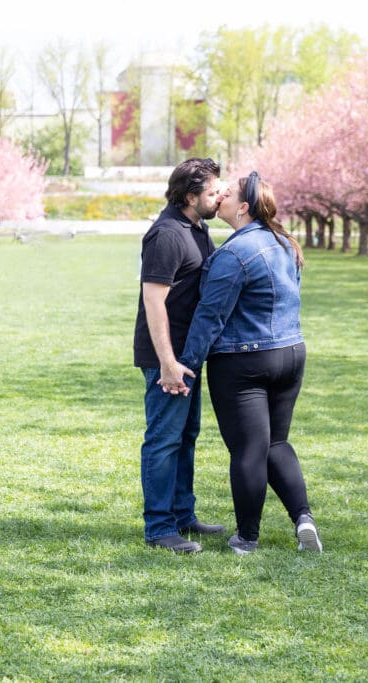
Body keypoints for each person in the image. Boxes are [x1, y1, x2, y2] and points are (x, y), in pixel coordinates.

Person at [165, 172, 322, 555]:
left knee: (248, 449)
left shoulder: (234, 253)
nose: (220, 198)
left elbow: (210, 315)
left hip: (243, 362)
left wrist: (185, 365)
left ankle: (247, 539)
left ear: (244, 207)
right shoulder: (285, 243)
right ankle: (303, 518)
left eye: (228, 194)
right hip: (291, 353)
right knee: (276, 442)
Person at [133, 157, 229, 554]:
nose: (219, 196)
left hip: (187, 354)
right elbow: (153, 301)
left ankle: (182, 513)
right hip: (166, 357)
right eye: (212, 192)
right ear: (191, 197)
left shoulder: (197, 227)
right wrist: (168, 363)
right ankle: (159, 529)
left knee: (186, 434)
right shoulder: (168, 235)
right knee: (164, 438)